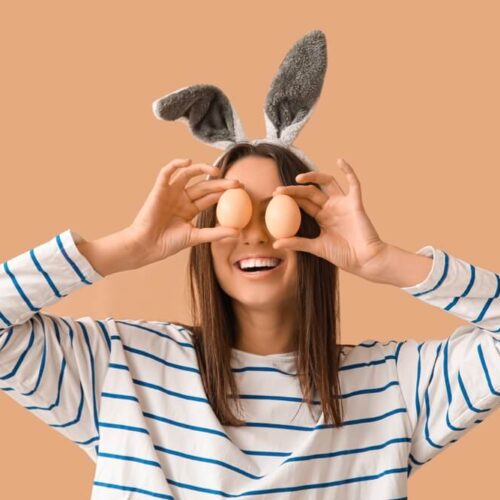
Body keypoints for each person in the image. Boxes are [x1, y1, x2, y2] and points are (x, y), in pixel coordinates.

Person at [0, 142, 498, 499]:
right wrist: (124, 248)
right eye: (231, 213)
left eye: (277, 210)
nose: (255, 235)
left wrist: (383, 261)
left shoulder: (393, 386)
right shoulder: (120, 368)